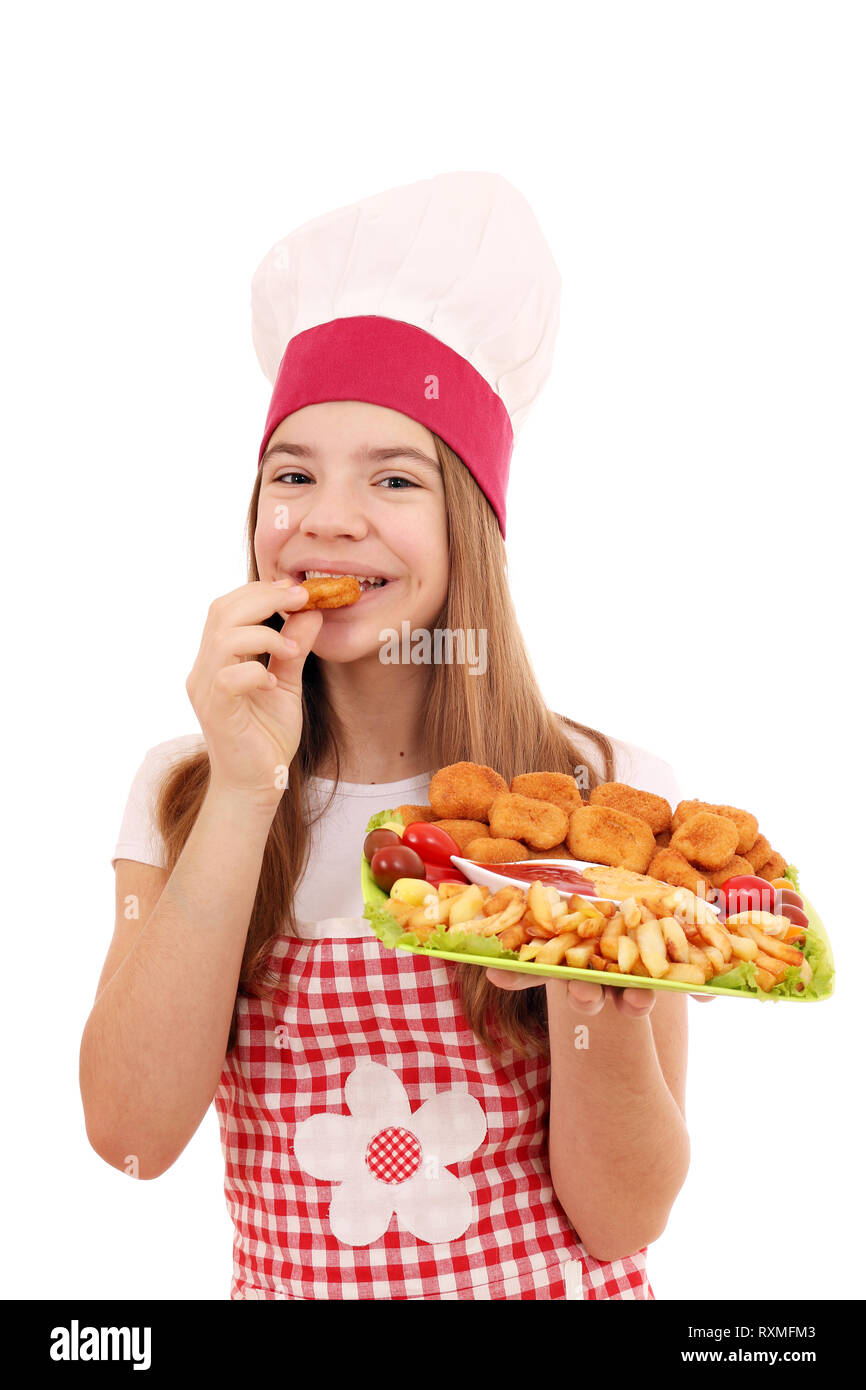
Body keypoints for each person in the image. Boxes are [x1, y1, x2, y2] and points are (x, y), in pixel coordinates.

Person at [81, 172, 698, 1301]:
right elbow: (130, 1137)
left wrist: (585, 990)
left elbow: (621, 1221)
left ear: (471, 521)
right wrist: (242, 784)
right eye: (293, 473)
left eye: (394, 476)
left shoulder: (603, 794)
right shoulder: (183, 787)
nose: (327, 516)